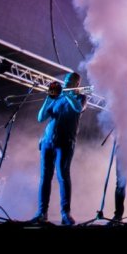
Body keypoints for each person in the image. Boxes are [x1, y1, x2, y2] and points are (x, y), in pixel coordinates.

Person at [33, 71, 86, 225]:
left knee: (63, 176)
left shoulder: (80, 97)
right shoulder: (57, 98)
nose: (66, 82)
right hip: (48, 142)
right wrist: (49, 98)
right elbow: (40, 117)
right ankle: (42, 213)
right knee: (45, 177)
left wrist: (68, 95)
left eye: (70, 81)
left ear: (76, 84)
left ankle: (65, 213)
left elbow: (78, 109)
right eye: (66, 80)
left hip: (65, 142)